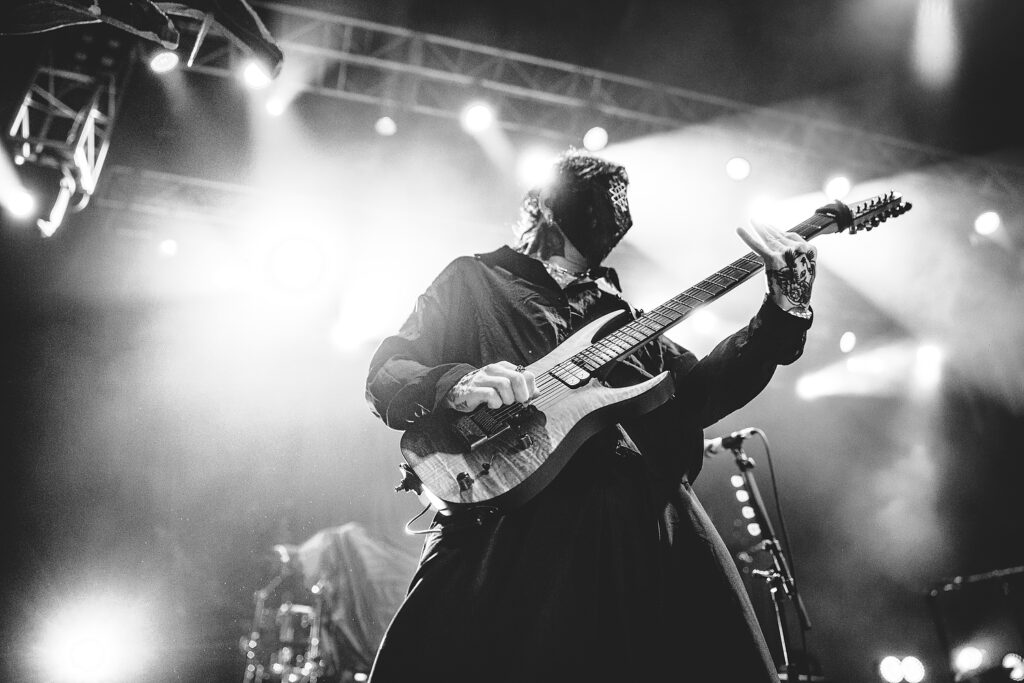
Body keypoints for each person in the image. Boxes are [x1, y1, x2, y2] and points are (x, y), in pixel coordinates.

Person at [364, 149, 816, 682]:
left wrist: (782, 314)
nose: (614, 211)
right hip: (508, 513)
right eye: (598, 195)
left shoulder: (623, 317)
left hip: (641, 513)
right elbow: (388, 370)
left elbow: (700, 395)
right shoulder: (474, 279)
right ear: (545, 203)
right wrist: (456, 385)